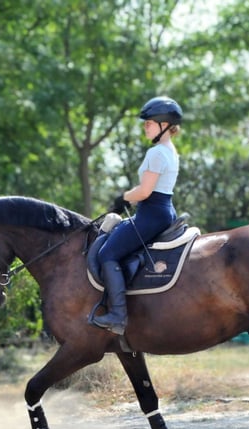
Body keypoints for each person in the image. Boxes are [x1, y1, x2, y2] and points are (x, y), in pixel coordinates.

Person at [89, 96, 183, 335]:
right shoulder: (170, 151)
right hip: (162, 210)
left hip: (151, 213)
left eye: (149, 122)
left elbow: (144, 191)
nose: (145, 127)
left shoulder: (156, 153)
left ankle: (118, 316)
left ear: (163, 124)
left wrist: (123, 198)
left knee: (107, 253)